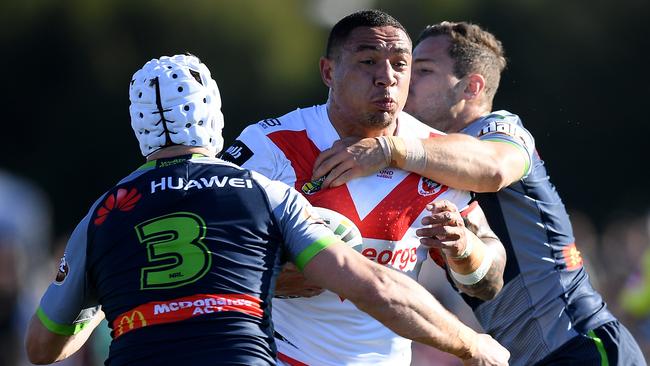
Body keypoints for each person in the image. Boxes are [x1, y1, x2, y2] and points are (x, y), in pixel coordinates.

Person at [23, 54, 510, 366]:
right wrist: (472, 344)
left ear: (138, 126)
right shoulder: (263, 191)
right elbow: (376, 288)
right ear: (213, 116)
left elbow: (41, 347)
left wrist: (104, 297)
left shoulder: (103, 213)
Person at [312, 21, 646, 365]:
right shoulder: (421, 153)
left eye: (423, 70)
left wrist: (388, 149)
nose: (404, 81)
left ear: (471, 87)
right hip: (531, 357)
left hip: (580, 344)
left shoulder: (497, 129)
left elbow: (494, 168)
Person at [219, 10, 508, 366]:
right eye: (368, 61)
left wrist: (464, 251)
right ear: (328, 72)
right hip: (279, 355)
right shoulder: (271, 145)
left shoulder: (433, 153)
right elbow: (200, 250)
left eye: (401, 64)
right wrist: (269, 277)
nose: (386, 77)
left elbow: (488, 283)